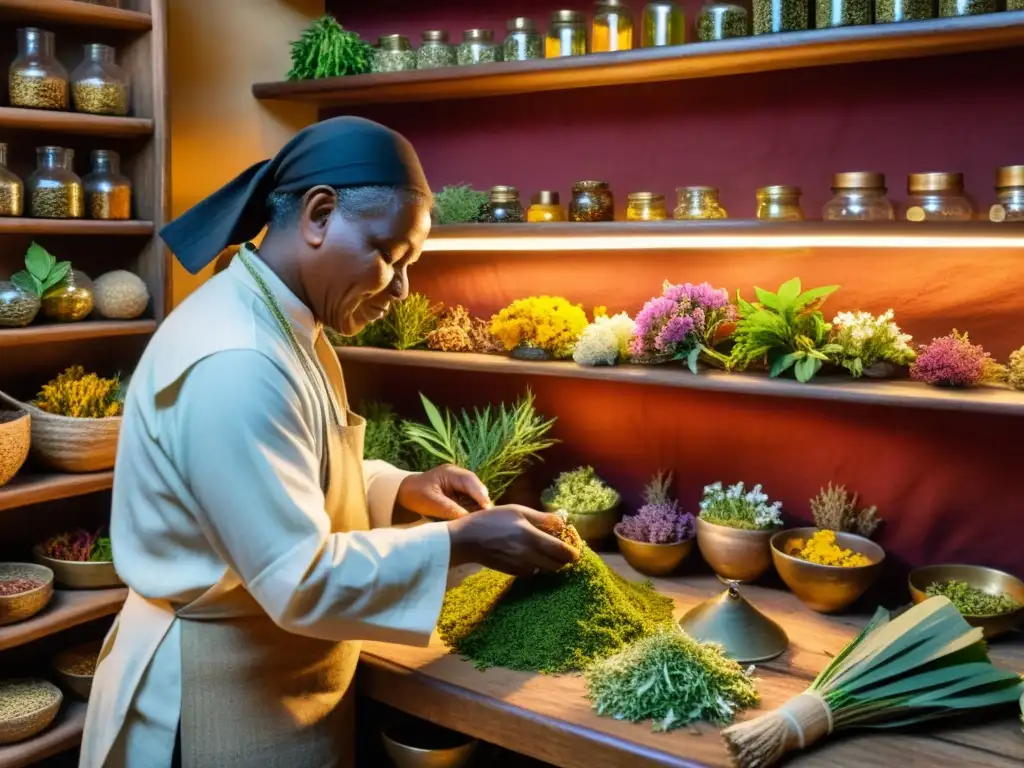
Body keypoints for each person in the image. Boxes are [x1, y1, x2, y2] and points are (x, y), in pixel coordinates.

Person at [79, 116, 578, 768]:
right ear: (318, 214)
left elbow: (285, 473)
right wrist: (463, 541)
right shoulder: (238, 358)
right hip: (214, 701)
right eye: (389, 255)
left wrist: (401, 489)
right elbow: (297, 580)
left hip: (277, 678)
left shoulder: (284, 320)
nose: (401, 290)